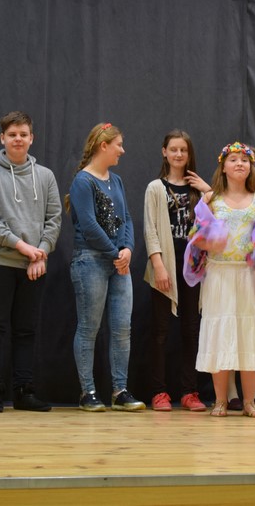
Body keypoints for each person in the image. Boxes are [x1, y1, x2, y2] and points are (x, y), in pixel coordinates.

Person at [185, 142, 255, 418]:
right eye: (234, 159)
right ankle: (220, 401)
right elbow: (195, 236)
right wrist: (208, 242)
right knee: (221, 334)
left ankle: (249, 401)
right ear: (223, 167)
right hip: (220, 275)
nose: (240, 163)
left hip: (249, 276)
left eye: (245, 160)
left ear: (251, 167)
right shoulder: (210, 200)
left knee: (249, 335)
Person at [0, 111, 61, 413]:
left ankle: (24, 391)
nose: (18, 139)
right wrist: (23, 247)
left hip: (34, 265)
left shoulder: (46, 176)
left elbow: (54, 220)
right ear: (2, 138)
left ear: (31, 138)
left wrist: (41, 252)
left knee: (26, 330)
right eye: (12, 134)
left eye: (23, 134)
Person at [65, 122, 144, 412]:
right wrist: (115, 253)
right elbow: (88, 224)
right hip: (91, 261)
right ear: (104, 146)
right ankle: (87, 391)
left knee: (122, 328)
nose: (122, 150)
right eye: (118, 145)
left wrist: (128, 249)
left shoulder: (117, 180)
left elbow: (127, 218)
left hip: (118, 263)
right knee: (89, 327)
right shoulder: (83, 181)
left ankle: (120, 390)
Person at [143, 129, 211, 412]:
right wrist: (158, 265)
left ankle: (189, 391)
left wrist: (208, 191)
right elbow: (150, 230)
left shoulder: (198, 189)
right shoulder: (155, 188)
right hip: (165, 266)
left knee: (191, 330)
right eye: (173, 149)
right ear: (164, 152)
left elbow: (221, 217)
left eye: (183, 149)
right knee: (160, 331)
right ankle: (159, 391)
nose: (179, 154)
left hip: (193, 268)